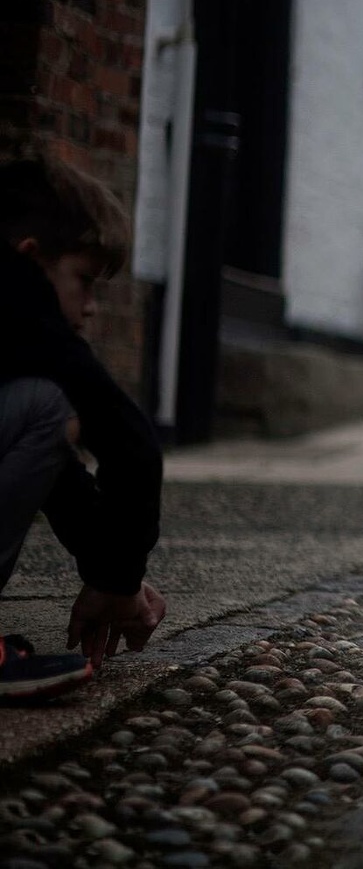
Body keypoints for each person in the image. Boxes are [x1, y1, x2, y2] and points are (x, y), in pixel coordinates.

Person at [0, 153, 167, 700]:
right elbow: (133, 445)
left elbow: (57, 475)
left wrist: (113, 573)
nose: (92, 308)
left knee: (37, 415)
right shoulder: (22, 306)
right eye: (84, 281)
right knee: (48, 405)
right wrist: (119, 584)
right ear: (31, 259)